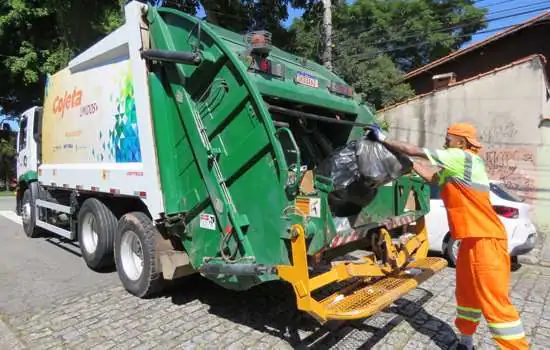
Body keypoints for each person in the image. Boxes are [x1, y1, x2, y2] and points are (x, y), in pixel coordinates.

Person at [364, 122, 528, 350]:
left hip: (487, 241)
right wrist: (408, 163)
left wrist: (384, 139)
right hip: (470, 242)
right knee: (466, 296)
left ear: (461, 142)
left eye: (449, 138)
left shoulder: (463, 158)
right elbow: (433, 178)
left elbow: (415, 149)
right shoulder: (454, 167)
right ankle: (466, 342)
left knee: (494, 302)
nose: (445, 141)